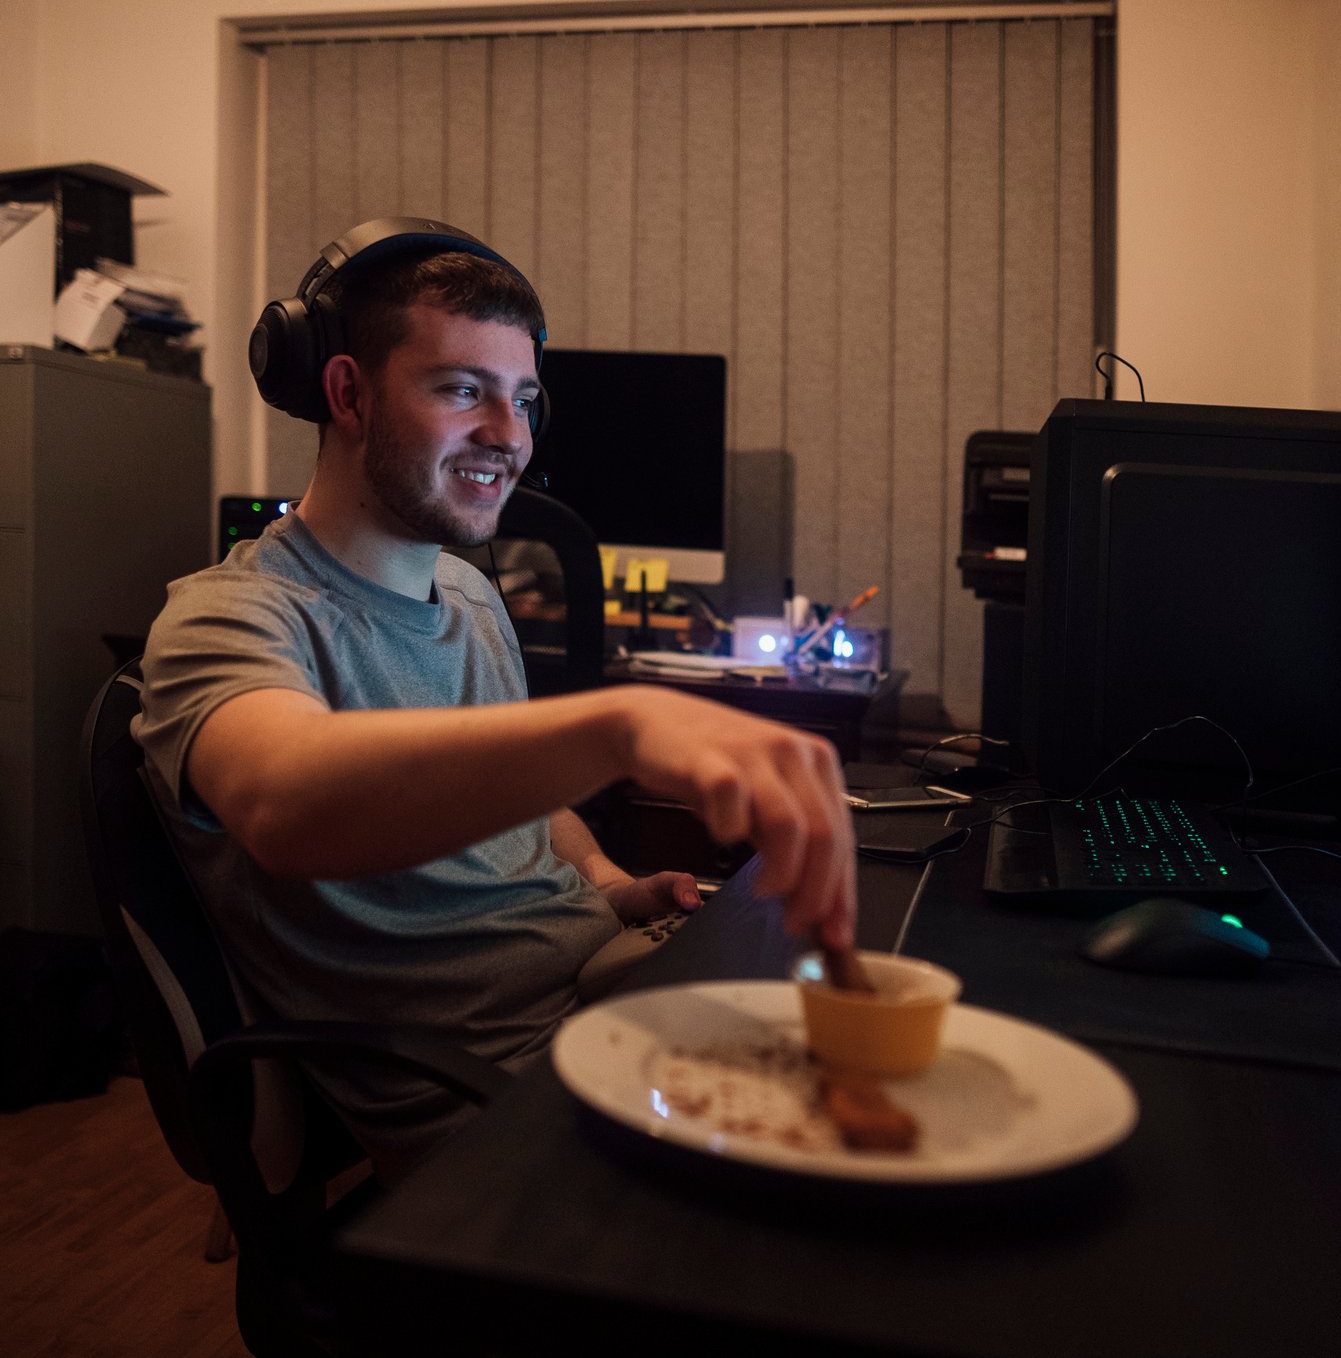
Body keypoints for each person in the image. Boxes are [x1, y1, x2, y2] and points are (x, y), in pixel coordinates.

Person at [134, 219, 856, 1178]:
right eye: (462, 390)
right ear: (346, 391)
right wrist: (623, 723)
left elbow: (521, 794)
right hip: (491, 1086)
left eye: (522, 401)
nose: (507, 437)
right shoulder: (228, 619)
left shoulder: (471, 594)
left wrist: (604, 885)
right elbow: (287, 805)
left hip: (598, 986)